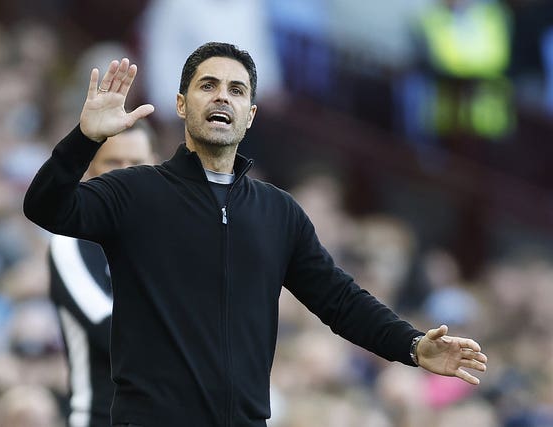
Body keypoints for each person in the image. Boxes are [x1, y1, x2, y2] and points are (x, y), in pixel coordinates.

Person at [24, 42, 487, 427]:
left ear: (250, 114)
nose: (222, 96)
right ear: (183, 104)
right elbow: (45, 207)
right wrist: (84, 139)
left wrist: (410, 344)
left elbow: (340, 301)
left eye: (236, 89)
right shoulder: (135, 190)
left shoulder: (278, 211)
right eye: (208, 86)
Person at [47, 122, 157, 427]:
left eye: (136, 163)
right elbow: (111, 331)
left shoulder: (173, 237)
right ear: (90, 170)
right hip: (101, 417)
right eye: (113, 162)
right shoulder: (70, 242)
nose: (126, 173)